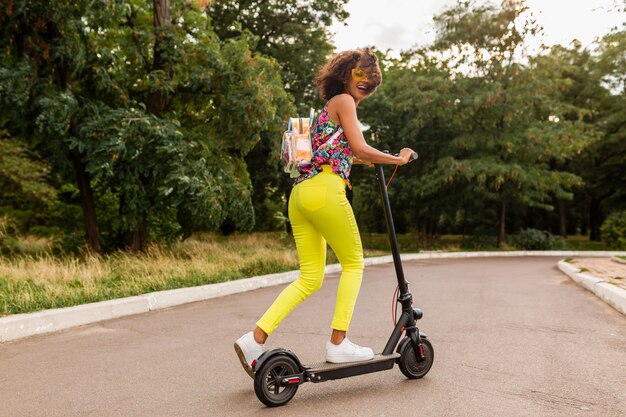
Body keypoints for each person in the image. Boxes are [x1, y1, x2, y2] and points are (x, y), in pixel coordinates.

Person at [234, 47, 416, 378]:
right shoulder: (344, 102)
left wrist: (377, 157)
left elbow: (351, 154)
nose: (366, 81)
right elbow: (360, 148)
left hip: (301, 195)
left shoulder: (324, 112)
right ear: (345, 73)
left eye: (371, 77)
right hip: (325, 193)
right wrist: (398, 160)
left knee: (310, 277)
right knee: (353, 263)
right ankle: (338, 343)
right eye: (360, 74)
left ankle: (254, 338)